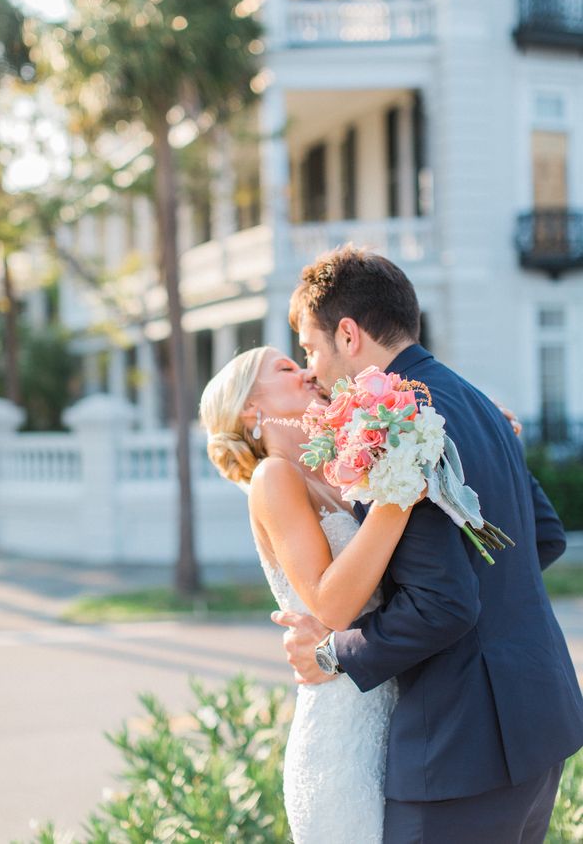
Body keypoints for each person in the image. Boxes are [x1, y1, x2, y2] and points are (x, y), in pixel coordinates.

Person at [271, 245, 583, 844]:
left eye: (310, 349)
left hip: (461, 747)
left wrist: (334, 653)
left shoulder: (393, 425)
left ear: (348, 333)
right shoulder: (476, 401)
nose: (310, 370)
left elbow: (444, 605)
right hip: (539, 719)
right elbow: (541, 537)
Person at [199, 336, 533, 842]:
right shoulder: (274, 477)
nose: (308, 374)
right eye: (288, 368)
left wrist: (485, 446)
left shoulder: (342, 469)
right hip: (342, 725)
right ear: (250, 407)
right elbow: (332, 603)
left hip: (397, 704)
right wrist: (401, 485)